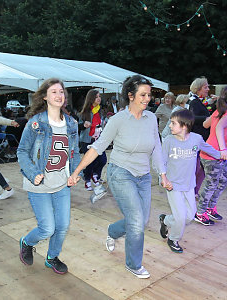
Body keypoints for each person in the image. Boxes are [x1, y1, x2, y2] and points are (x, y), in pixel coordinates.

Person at [68, 75, 168, 279]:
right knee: (137, 220)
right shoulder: (118, 120)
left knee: (140, 220)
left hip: (143, 175)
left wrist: (163, 174)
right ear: (130, 96)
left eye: (149, 94)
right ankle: (134, 264)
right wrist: (77, 171)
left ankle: (113, 231)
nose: (147, 98)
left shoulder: (150, 120)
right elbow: (97, 147)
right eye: (143, 94)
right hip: (120, 173)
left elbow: (157, 147)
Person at [17, 78, 80, 275]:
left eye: (61, 92)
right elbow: (22, 151)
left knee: (62, 226)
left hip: (62, 183)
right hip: (39, 185)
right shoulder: (36, 123)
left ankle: (52, 257)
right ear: (45, 96)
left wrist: (75, 173)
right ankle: (27, 242)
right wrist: (33, 173)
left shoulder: (71, 124)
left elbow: (75, 152)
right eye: (54, 92)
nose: (59, 95)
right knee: (47, 228)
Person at [158, 109, 221, 253]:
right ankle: (173, 239)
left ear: (184, 126)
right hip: (172, 185)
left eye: (173, 123)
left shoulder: (196, 139)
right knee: (180, 217)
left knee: (189, 216)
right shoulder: (168, 141)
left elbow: (208, 149)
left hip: (189, 185)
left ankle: (166, 220)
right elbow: (161, 161)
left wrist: (221, 154)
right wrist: (163, 179)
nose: (170, 126)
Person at [195, 86, 227, 226]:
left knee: (224, 180)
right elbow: (219, 127)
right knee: (211, 183)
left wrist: (214, 116)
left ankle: (209, 207)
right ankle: (200, 213)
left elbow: (205, 124)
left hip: (214, 154)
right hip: (213, 154)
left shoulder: (221, 111)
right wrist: (223, 149)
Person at [78, 89, 107, 191]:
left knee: (103, 160)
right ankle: (87, 180)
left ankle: (95, 175)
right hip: (87, 141)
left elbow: (100, 124)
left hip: (98, 140)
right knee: (90, 162)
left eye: (99, 96)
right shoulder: (85, 112)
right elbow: (78, 126)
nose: (99, 99)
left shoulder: (99, 111)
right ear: (91, 98)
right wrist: (83, 125)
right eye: (96, 97)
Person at [188, 77, 211, 196]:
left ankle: (195, 191)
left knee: (201, 168)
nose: (208, 89)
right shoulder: (194, 102)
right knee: (197, 168)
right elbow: (191, 118)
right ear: (198, 89)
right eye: (205, 87)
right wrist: (207, 119)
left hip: (203, 139)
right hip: (196, 139)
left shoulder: (201, 102)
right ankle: (191, 190)